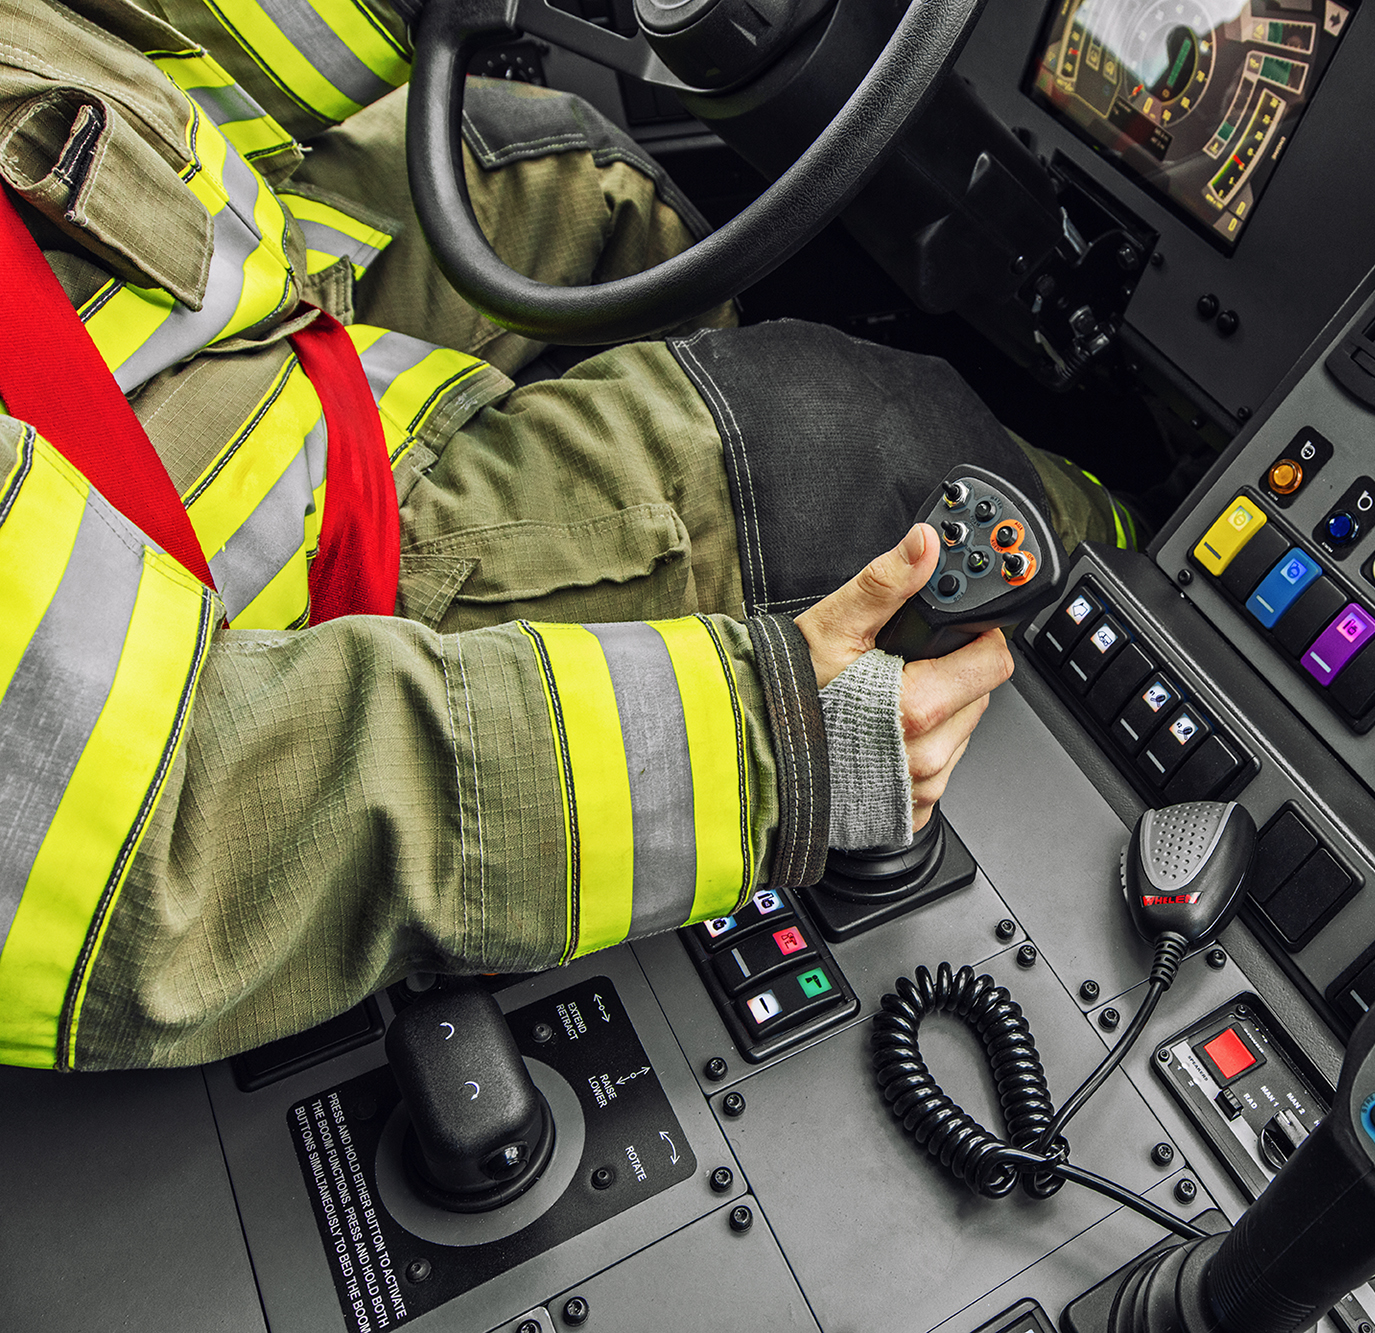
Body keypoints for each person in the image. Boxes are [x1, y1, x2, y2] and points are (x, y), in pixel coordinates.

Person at [0, 0, 1133, 1072]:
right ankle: (1139, 544)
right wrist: (764, 734)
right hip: (259, 627)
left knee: (553, 165)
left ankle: (705, 483)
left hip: (211, 341)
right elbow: (147, 843)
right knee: (866, 449)